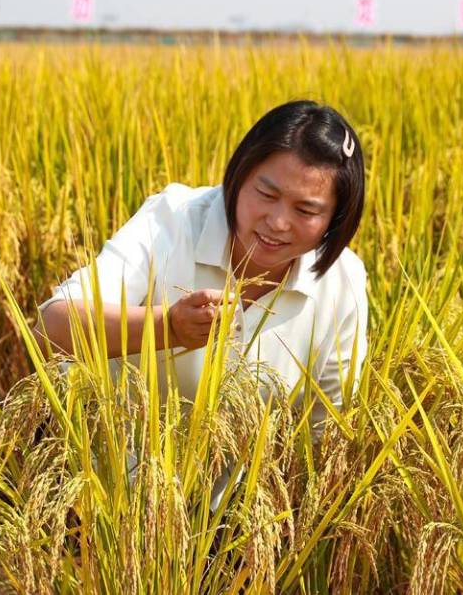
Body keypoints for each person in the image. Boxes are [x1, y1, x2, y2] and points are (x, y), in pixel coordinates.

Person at [31, 99, 368, 510]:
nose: (278, 221)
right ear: (239, 175)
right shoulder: (173, 219)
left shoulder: (342, 282)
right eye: (266, 193)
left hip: (223, 519)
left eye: (306, 210)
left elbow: (328, 431)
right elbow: (53, 326)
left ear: (337, 218)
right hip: (100, 497)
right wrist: (166, 328)